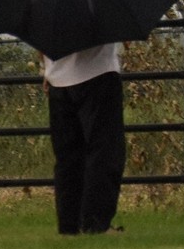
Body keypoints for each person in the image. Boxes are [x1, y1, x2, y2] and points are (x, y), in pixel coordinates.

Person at [41, 43, 125, 235]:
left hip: (58, 78)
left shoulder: (49, 22)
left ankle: (69, 225)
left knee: (67, 157)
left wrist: (46, 68)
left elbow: (40, 40)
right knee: (104, 150)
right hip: (98, 72)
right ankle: (95, 223)